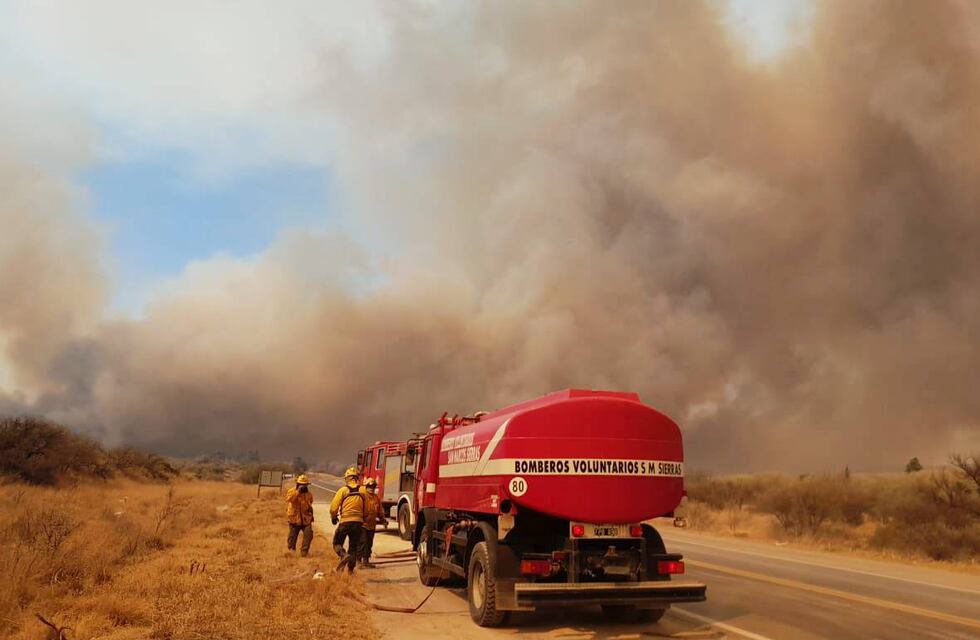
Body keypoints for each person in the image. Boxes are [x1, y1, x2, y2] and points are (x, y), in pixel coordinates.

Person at [330, 466, 365, 573]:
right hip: (358, 523)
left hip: (345, 521)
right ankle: (350, 570)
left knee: (337, 543)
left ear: (347, 479)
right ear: (356, 478)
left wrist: (333, 517)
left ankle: (343, 555)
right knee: (353, 546)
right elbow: (367, 508)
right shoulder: (363, 490)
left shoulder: (343, 490)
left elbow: (333, 508)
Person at [358, 477, 387, 567]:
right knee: (363, 542)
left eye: (373, 486)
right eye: (369, 486)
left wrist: (383, 520)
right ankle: (358, 561)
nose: (371, 488)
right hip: (362, 524)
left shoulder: (376, 498)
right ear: (366, 487)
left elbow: (380, 511)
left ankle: (365, 561)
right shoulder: (362, 496)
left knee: (369, 543)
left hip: (371, 525)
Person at [285, 474, 314, 557]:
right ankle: (291, 552)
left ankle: (304, 552)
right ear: (298, 484)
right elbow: (289, 499)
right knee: (292, 537)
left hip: (306, 519)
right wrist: (298, 492)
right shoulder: (292, 491)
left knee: (309, 534)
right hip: (294, 519)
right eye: (302, 485)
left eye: (306, 485)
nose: (304, 487)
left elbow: (310, 501)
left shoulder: (308, 494)